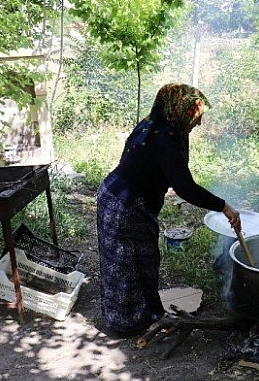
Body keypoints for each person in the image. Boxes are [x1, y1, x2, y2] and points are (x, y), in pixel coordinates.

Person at [96, 83, 241, 337]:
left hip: (116, 196)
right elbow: (185, 188)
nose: (199, 124)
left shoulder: (156, 124)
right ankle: (126, 323)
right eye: (196, 117)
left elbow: (176, 171)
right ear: (179, 112)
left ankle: (144, 315)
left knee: (142, 260)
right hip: (124, 206)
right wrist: (223, 206)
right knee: (127, 264)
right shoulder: (165, 139)